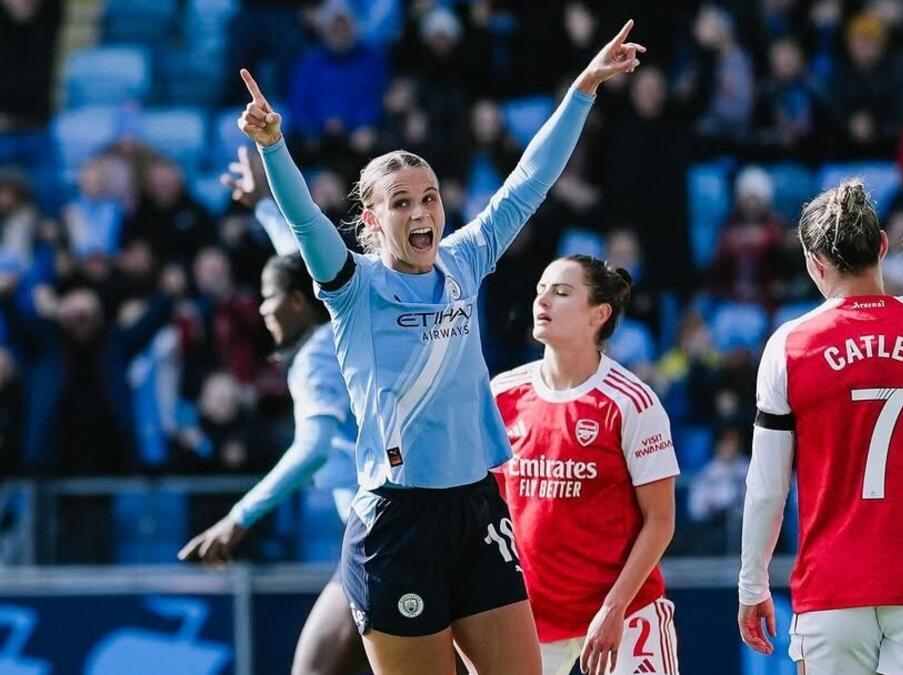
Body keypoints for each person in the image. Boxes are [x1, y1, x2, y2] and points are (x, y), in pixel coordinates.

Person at [237, 20, 644, 675]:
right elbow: (305, 220)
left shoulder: (463, 260)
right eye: (401, 203)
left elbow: (528, 182)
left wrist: (582, 91)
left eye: (429, 197)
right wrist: (274, 146)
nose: (422, 211)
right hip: (395, 522)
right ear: (373, 221)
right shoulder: (353, 286)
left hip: (476, 507)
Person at [737, 180, 903, 675]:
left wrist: (752, 583)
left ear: (814, 263)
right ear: (883, 246)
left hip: (832, 586)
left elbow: (767, 488)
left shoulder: (789, 346)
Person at [177, 148, 366, 675]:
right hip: (401, 524)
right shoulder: (338, 323)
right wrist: (263, 206)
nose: (262, 310)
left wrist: (238, 519)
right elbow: (297, 266)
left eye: (268, 298)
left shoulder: (314, 359)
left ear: (297, 305)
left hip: (379, 532)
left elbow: (313, 448)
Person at [491, 255, 680, 675]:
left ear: (599, 314)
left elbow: (661, 520)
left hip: (625, 609)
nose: (543, 301)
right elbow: (486, 510)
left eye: (561, 292)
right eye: (541, 290)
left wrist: (614, 609)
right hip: (532, 617)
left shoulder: (632, 402)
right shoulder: (502, 394)